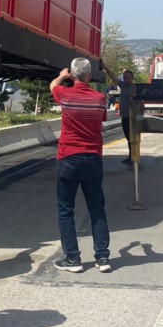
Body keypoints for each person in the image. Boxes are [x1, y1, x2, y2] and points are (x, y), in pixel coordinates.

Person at [49, 58, 111, 274]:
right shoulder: (100, 98)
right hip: (93, 158)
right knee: (97, 209)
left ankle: (73, 259)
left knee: (66, 210)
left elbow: (53, 86)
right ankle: (102, 258)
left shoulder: (64, 95)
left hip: (69, 158)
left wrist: (62, 76)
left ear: (73, 75)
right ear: (90, 76)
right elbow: (101, 119)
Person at [117, 69, 135, 165]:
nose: (126, 80)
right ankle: (130, 156)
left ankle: (134, 156)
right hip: (124, 117)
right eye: (125, 78)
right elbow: (113, 77)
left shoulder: (135, 88)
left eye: (128, 78)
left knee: (133, 138)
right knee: (128, 138)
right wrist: (106, 68)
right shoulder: (123, 86)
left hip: (133, 118)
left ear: (132, 78)